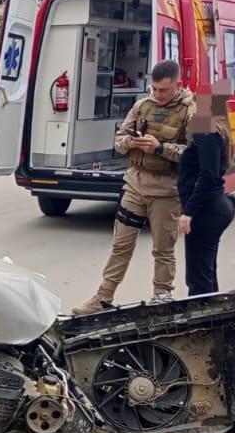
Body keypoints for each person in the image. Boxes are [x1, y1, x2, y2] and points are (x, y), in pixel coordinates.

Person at [73, 60, 195, 314]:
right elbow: (118, 141)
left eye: (164, 90)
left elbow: (198, 156)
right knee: (120, 245)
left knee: (163, 250)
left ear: (177, 85)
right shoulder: (142, 106)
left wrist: (161, 148)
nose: (158, 95)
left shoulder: (193, 110)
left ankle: (162, 298)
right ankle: (103, 297)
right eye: (154, 89)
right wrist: (130, 142)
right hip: (135, 184)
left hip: (166, 191)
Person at [177, 88, 235, 296]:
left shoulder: (205, 131)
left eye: (193, 104)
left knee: (198, 278)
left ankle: (201, 323)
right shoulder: (218, 130)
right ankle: (213, 319)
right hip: (215, 206)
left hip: (206, 210)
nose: (190, 110)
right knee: (206, 272)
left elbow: (208, 175)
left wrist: (189, 212)